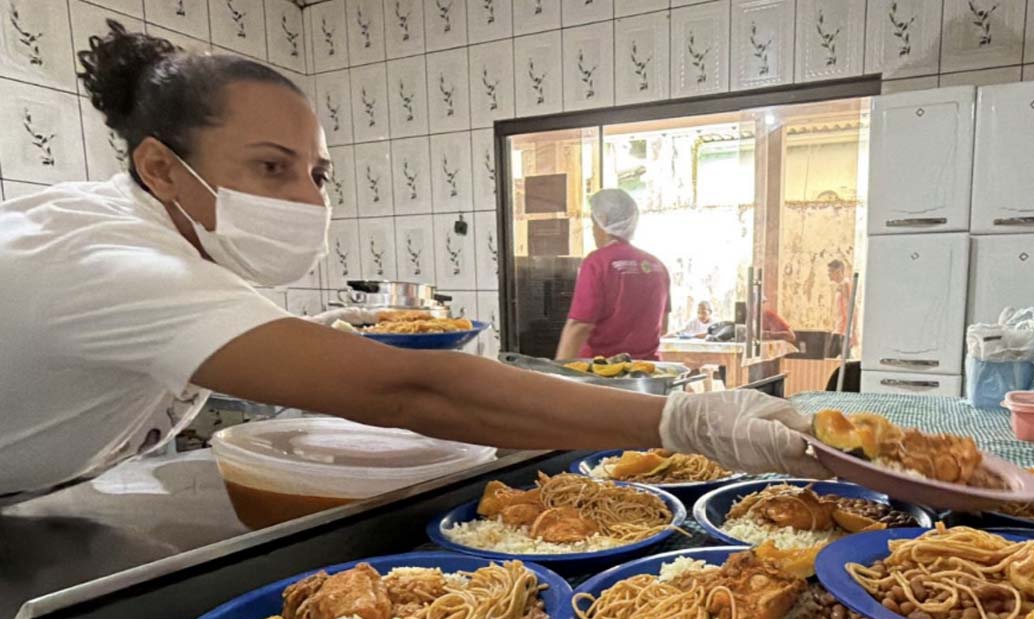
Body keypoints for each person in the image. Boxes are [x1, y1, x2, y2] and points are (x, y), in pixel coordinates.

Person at [0, 23, 826, 504]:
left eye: (315, 174)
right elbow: (410, 389)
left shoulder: (157, 237)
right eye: (270, 167)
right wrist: (684, 423)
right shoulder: (108, 261)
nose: (305, 200)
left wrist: (308, 334)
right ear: (157, 167)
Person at [555, 189, 671, 361]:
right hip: (646, 375)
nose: (593, 230)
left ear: (602, 222)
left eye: (593, 222)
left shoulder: (597, 262)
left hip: (601, 374)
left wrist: (558, 376)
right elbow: (663, 327)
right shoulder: (657, 266)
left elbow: (579, 326)